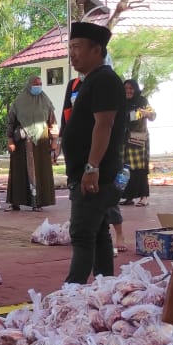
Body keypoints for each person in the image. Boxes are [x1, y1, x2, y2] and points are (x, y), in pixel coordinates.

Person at [62, 22, 127, 284]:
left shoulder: (105, 81)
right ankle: (105, 288)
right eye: (70, 48)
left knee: (82, 235)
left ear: (96, 50)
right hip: (89, 173)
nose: (72, 54)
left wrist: (92, 167)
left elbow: (104, 124)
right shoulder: (90, 81)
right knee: (98, 233)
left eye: (77, 47)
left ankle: (71, 292)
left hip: (95, 174)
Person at [4, 76, 55, 211]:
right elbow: (11, 122)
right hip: (21, 143)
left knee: (40, 171)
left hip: (41, 142)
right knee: (18, 171)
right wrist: (10, 140)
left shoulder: (46, 101)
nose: (38, 86)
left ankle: (38, 203)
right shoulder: (19, 102)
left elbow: (52, 122)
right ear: (29, 85)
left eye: (40, 84)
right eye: (35, 84)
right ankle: (16, 202)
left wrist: (54, 140)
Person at [120, 79, 156, 206]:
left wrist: (146, 113)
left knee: (140, 169)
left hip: (138, 138)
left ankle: (143, 198)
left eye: (131, 88)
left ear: (135, 89)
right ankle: (128, 197)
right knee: (125, 169)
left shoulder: (142, 101)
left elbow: (153, 115)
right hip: (123, 139)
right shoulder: (121, 101)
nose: (128, 91)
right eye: (126, 88)